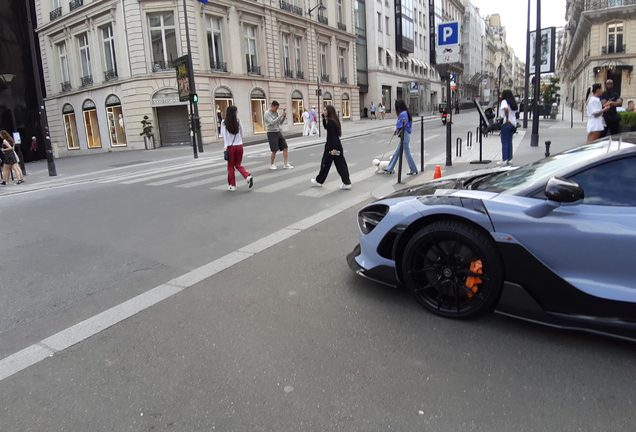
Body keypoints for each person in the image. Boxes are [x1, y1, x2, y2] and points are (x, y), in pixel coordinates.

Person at [310, 105, 352, 189]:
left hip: (332, 146)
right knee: (341, 165)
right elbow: (327, 128)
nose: (323, 111)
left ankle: (319, 181)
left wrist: (334, 149)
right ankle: (347, 182)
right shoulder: (333, 120)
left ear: (329, 111)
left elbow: (333, 136)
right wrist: (323, 119)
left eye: (325, 110)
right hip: (336, 145)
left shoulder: (331, 122)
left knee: (325, 163)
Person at [221, 106, 252, 191]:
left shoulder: (224, 122)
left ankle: (232, 185)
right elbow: (242, 134)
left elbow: (223, 135)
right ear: (234, 113)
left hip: (230, 147)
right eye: (236, 111)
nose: (237, 112)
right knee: (238, 164)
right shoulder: (238, 121)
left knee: (231, 166)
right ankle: (247, 176)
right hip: (239, 146)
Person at [383, 99, 418, 175]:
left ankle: (413, 169)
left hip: (404, 135)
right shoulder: (406, 113)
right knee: (397, 153)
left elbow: (401, 124)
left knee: (406, 153)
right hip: (406, 134)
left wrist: (397, 129)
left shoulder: (403, 114)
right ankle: (390, 168)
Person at [264, 100, 293, 170]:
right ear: (272, 106)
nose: (277, 109)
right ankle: (272, 164)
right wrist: (280, 116)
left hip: (278, 131)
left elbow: (279, 122)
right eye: (276, 108)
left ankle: (286, 163)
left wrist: (283, 117)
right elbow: (272, 122)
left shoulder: (276, 112)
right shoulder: (267, 113)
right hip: (271, 132)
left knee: (285, 147)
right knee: (274, 150)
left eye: (277, 108)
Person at [498, 90, 517, 165]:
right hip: (513, 124)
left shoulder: (504, 101)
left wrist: (507, 118)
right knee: (509, 141)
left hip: (507, 123)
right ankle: (509, 159)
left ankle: (504, 159)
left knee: (504, 141)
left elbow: (506, 109)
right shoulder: (513, 102)